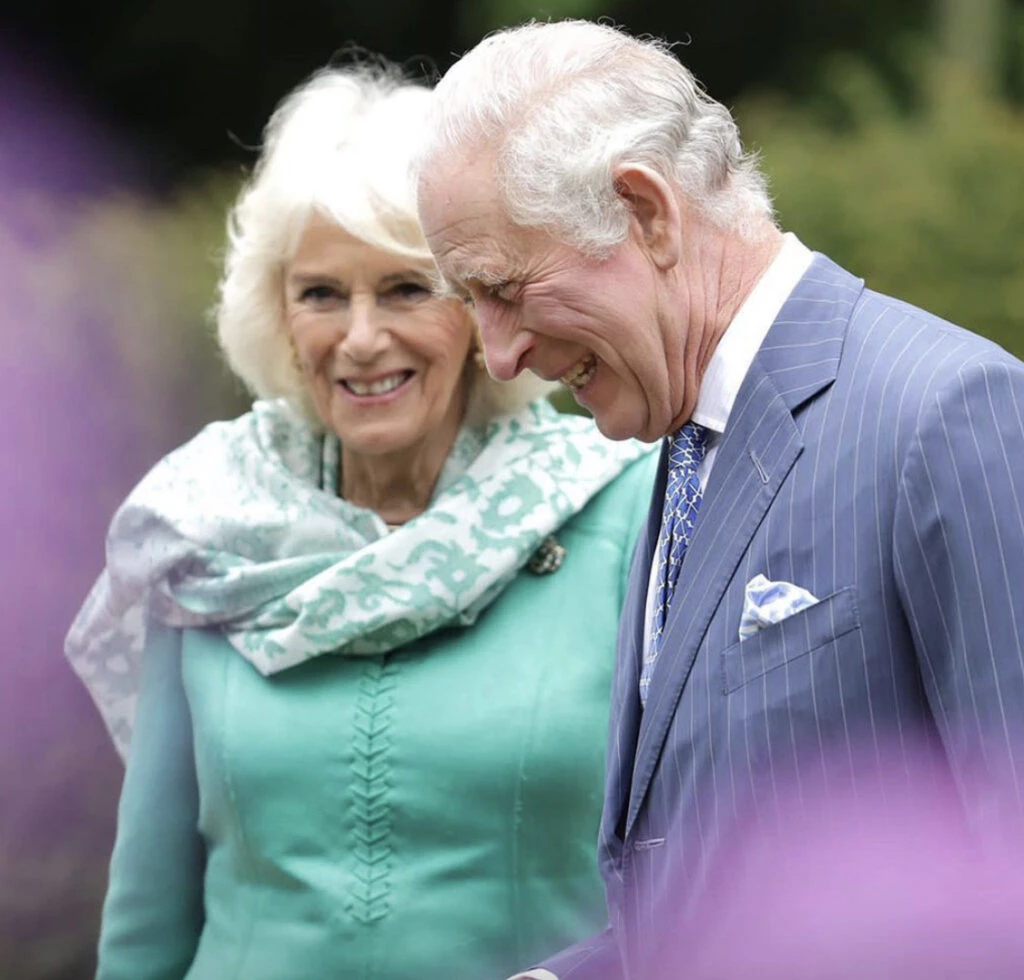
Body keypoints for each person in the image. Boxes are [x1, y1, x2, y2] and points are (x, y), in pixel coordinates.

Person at [415, 19, 1024, 980]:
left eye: (506, 288)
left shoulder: (948, 413)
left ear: (646, 211)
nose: (497, 355)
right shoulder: (687, 440)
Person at [65, 64, 658, 980]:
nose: (362, 337)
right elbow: (149, 904)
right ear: (277, 313)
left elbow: (694, 872)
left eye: (407, 289)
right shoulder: (205, 526)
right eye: (321, 294)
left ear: (481, 307)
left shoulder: (624, 511)